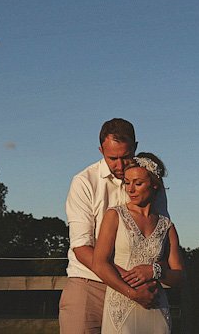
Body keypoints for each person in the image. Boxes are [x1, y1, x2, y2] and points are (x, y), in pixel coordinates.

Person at [60, 118, 168, 334]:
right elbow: (81, 247)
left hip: (142, 289)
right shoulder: (84, 182)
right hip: (89, 286)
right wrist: (129, 284)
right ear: (101, 150)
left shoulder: (152, 183)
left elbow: (161, 234)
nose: (120, 165)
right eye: (112, 158)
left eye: (126, 157)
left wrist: (151, 275)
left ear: (136, 147)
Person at [92, 153, 183, 334]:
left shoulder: (167, 226)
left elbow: (179, 276)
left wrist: (155, 271)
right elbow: (99, 263)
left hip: (156, 307)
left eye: (138, 183)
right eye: (127, 182)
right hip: (122, 306)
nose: (130, 189)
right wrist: (132, 294)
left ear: (154, 184)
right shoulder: (114, 216)